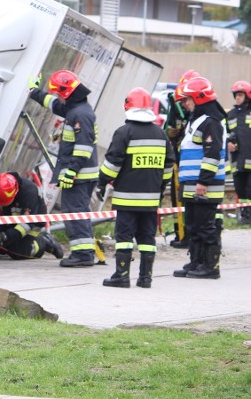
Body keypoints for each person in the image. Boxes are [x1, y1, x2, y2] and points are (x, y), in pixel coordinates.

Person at [96, 88, 175, 288]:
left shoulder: (124, 132)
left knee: (124, 238)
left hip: (127, 199)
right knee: (147, 237)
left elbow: (113, 164)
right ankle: (145, 278)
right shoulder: (160, 134)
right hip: (150, 200)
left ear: (127, 106)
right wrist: (160, 186)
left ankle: (121, 276)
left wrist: (101, 182)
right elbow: (168, 166)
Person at [28, 69, 99, 267]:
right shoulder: (75, 108)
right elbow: (54, 104)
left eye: (60, 93)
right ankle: (84, 252)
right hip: (78, 175)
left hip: (79, 176)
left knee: (75, 212)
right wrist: (34, 92)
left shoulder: (81, 114)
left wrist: (71, 172)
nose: (58, 97)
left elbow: (84, 148)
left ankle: (83, 255)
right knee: (75, 211)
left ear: (67, 93)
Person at [173, 77, 227, 279]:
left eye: (188, 100)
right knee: (194, 227)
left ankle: (211, 267)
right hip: (192, 185)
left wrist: (203, 182)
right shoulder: (196, 123)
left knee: (206, 227)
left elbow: (212, 154)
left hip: (205, 186)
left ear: (200, 99)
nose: (185, 104)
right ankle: (196, 262)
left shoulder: (211, 123)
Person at [0, 172, 65, 260]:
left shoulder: (29, 192)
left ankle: (44, 243)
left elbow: (26, 225)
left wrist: (4, 236)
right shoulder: (1, 188)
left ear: (15, 191)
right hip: (13, 220)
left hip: (32, 224)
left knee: (18, 252)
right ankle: (7, 245)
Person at [165, 70, 200, 249]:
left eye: (186, 99)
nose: (184, 104)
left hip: (186, 164)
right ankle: (184, 233)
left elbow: (174, 129)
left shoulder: (198, 116)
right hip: (187, 162)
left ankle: (187, 235)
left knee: (184, 199)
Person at [226, 80, 251, 225]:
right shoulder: (231, 115)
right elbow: (227, 134)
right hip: (237, 161)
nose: (237, 98)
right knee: (240, 190)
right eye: (236, 95)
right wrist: (229, 142)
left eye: (240, 95)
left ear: (247, 96)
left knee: (250, 190)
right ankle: (245, 216)